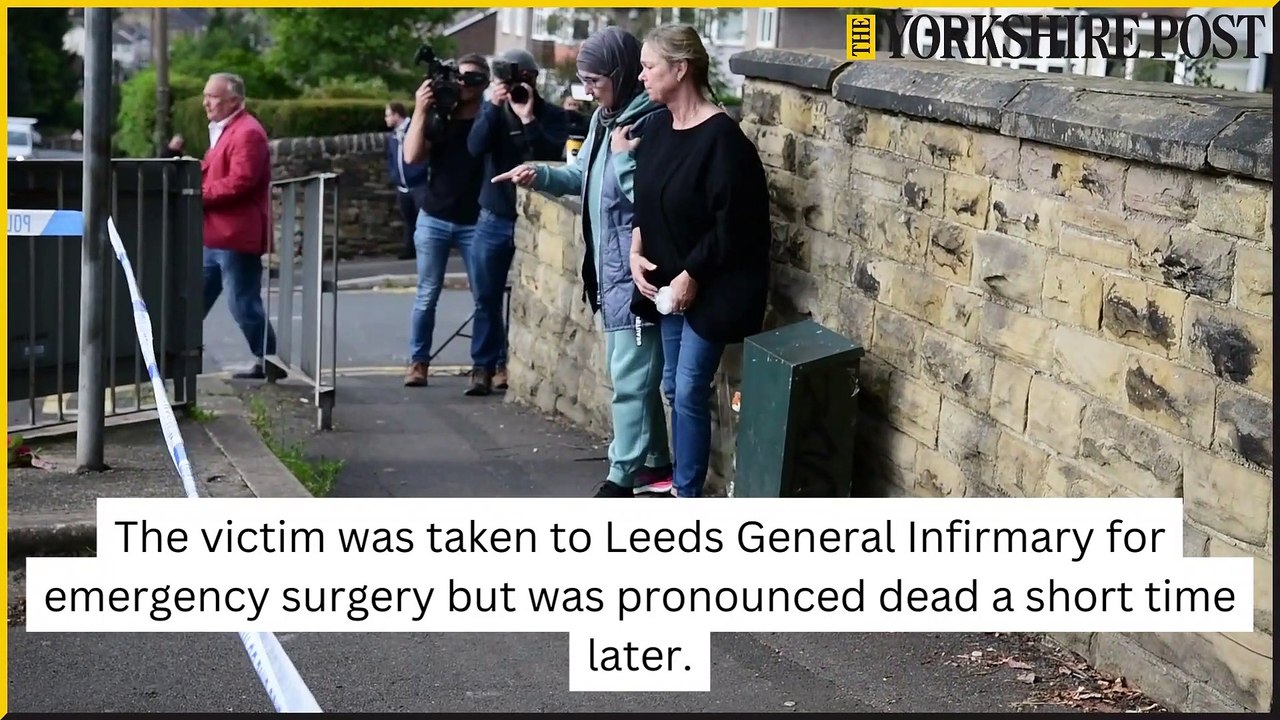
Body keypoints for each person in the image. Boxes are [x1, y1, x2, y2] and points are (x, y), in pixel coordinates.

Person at [493, 27, 673, 498]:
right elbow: (581, 175)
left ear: (620, 72)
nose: (588, 90)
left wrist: (624, 161)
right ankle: (653, 463)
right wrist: (541, 174)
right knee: (631, 372)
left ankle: (621, 475)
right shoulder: (605, 119)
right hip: (607, 271)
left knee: (630, 377)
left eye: (595, 79)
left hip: (637, 273)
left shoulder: (648, 122)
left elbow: (654, 201)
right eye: (583, 80)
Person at [628, 24, 772, 498]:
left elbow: (736, 223)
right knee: (673, 386)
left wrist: (693, 274)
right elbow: (644, 201)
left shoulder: (723, 139)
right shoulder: (654, 128)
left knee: (689, 387)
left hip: (715, 285)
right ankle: (683, 478)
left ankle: (686, 493)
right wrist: (635, 250)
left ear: (681, 68)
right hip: (667, 283)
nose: (642, 76)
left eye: (650, 67)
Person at [465, 49, 571, 396]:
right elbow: (475, 148)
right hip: (494, 216)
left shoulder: (550, 115)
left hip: (535, 221)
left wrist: (528, 120)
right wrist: (493, 107)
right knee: (486, 297)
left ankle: (507, 366)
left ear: (533, 79)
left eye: (522, 80)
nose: (516, 88)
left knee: (534, 298)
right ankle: (484, 365)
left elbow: (553, 156)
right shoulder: (491, 113)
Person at [400, 53, 492, 389]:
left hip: (477, 219)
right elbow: (411, 156)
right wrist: (421, 108)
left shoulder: (489, 116)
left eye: (475, 78)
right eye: (461, 77)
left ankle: (487, 365)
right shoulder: (440, 113)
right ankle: (418, 362)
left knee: (485, 296)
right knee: (426, 293)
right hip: (435, 216)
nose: (466, 84)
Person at [199, 72, 282, 381]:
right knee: (195, 300)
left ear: (234, 100)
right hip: (216, 235)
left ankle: (270, 361)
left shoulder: (248, 132)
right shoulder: (226, 129)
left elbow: (241, 183)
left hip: (236, 235)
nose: (206, 102)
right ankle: (172, 360)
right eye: (206, 95)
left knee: (242, 303)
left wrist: (199, 194)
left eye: (213, 97)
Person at [385, 102, 428, 261]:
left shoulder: (414, 129)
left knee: (423, 219)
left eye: (388, 114)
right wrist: (394, 176)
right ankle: (410, 250)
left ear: (397, 115)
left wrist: (417, 172)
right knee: (408, 220)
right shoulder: (394, 136)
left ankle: (424, 251)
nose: (386, 119)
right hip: (402, 186)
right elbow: (391, 158)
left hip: (419, 184)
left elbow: (424, 155)